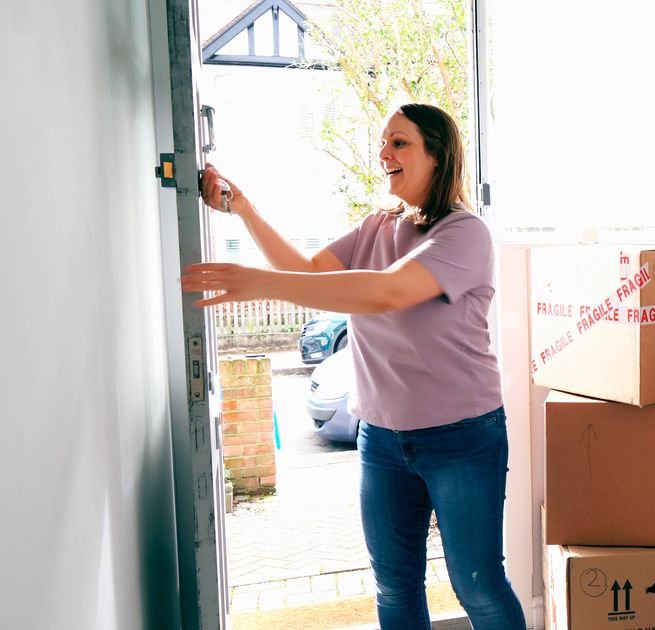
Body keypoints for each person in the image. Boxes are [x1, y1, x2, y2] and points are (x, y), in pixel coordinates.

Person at [183, 103, 526, 630]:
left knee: (477, 585)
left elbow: (386, 291)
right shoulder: (376, 226)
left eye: (400, 142)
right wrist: (244, 209)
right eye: (384, 142)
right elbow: (307, 270)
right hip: (382, 438)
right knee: (394, 586)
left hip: (461, 435)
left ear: (438, 155)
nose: (384, 153)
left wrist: (261, 283)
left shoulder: (465, 233)